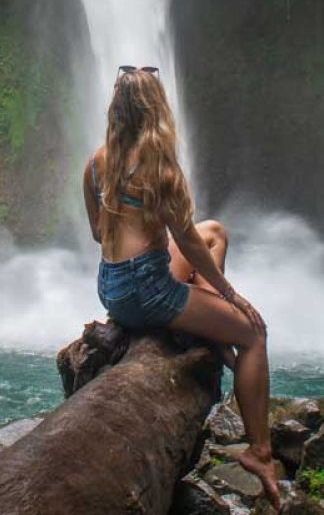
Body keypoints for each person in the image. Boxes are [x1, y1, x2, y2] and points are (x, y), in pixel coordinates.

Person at [83, 66, 280, 511]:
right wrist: (231, 296)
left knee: (214, 232)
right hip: (149, 291)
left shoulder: (95, 164)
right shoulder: (160, 169)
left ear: (117, 111)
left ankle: (201, 328)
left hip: (112, 288)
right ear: (156, 111)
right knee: (254, 333)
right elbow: (184, 240)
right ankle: (260, 452)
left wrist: (138, 226)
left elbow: (98, 233)